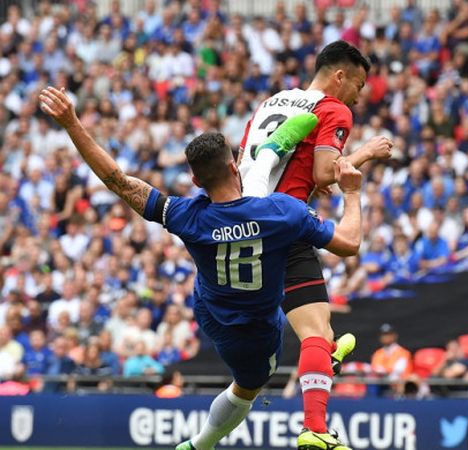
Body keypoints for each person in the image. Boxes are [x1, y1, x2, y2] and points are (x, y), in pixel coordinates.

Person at [39, 86, 362, 450]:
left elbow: (116, 180)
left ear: (195, 181)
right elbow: (349, 243)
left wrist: (71, 124)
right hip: (255, 326)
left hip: (211, 311)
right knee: (251, 385)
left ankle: (271, 150)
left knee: (251, 205)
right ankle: (201, 444)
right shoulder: (283, 212)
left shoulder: (185, 215)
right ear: (233, 164)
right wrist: (351, 191)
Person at [236, 40, 393, 447]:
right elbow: (328, 172)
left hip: (241, 222)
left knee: (319, 329)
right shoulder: (334, 108)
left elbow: (263, 161)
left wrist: (306, 180)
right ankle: (315, 429)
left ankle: (323, 363)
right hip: (282, 223)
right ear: (340, 76)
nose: (359, 95)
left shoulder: (273, 102)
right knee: (315, 333)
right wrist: (366, 153)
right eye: (358, 84)